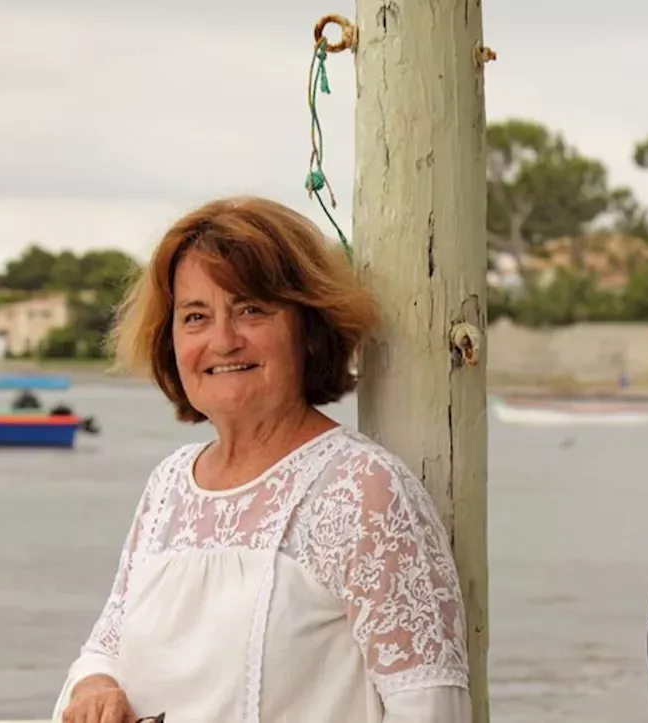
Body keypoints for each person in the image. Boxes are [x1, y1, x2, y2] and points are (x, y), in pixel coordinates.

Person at [54, 196, 471, 723]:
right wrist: (95, 688)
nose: (223, 341)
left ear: (309, 329)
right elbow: (106, 649)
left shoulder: (363, 489)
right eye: (195, 316)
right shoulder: (169, 487)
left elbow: (429, 706)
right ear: (170, 341)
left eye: (251, 309)